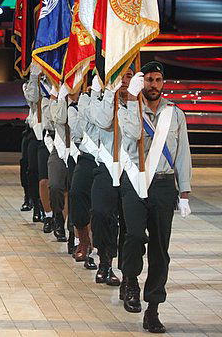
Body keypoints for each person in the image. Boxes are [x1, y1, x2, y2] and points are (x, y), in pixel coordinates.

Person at [117, 62, 192, 333]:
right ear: (142, 82)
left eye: (158, 80)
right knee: (134, 236)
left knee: (160, 248)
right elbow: (132, 133)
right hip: (135, 182)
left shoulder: (175, 114)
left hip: (163, 185)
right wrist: (132, 99)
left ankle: (153, 308)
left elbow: (183, 153)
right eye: (149, 79)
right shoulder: (127, 108)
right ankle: (130, 280)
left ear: (163, 83)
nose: (154, 85)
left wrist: (184, 192)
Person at [90, 66, 134, 287]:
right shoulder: (101, 100)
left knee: (128, 223)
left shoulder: (140, 103)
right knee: (100, 213)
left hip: (132, 169)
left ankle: (127, 273)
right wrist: (109, 93)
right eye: (120, 76)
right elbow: (103, 121)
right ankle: (105, 261)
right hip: (107, 165)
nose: (124, 80)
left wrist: (133, 101)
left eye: (128, 76)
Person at [68, 76, 99, 270]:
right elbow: (79, 131)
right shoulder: (86, 100)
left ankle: (104, 255)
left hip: (116, 159)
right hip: (89, 154)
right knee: (76, 193)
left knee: (104, 209)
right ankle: (84, 240)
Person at [22, 64, 54, 230]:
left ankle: (51, 210)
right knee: (33, 170)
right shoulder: (29, 84)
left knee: (50, 175)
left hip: (52, 132)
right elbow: (33, 98)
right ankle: (37, 205)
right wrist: (34, 77)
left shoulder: (55, 82)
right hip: (35, 131)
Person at [48, 85, 73, 243]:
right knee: (55, 186)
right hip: (60, 147)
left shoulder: (86, 95)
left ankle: (73, 233)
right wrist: (62, 98)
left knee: (75, 192)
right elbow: (60, 118)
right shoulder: (55, 96)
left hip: (79, 149)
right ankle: (58, 216)